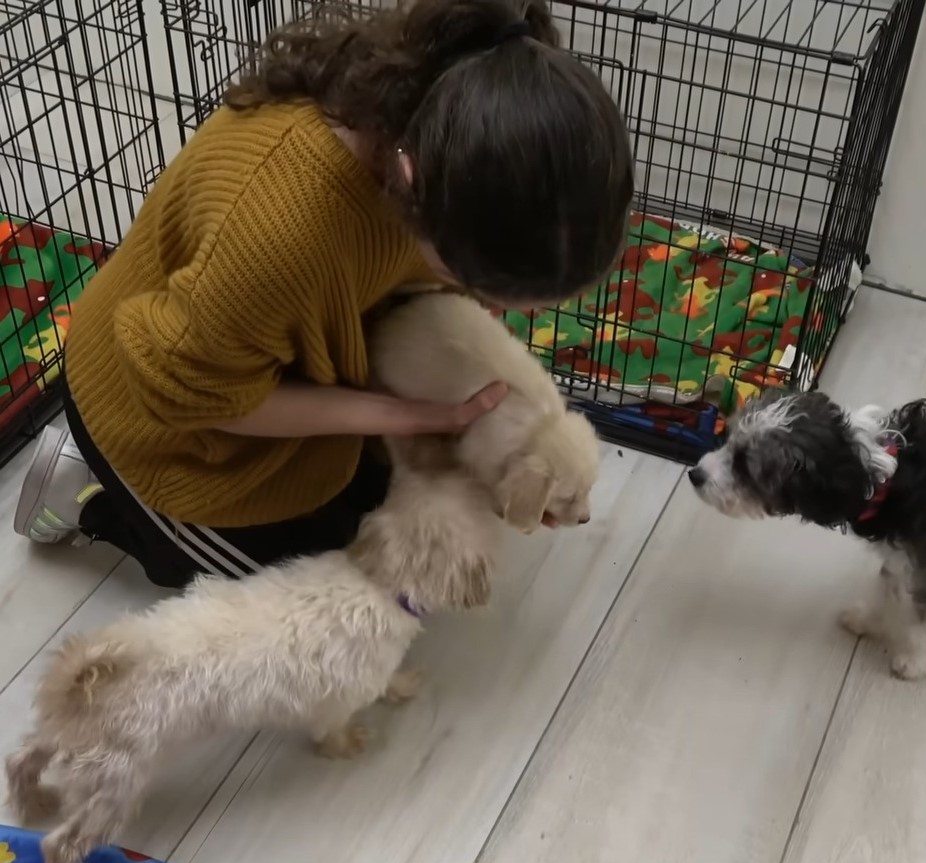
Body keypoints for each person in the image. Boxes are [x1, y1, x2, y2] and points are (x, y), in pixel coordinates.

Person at [13, 0, 633, 587]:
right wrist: (403, 415)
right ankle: (90, 488)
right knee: (310, 592)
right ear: (416, 186)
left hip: (277, 352)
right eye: (475, 280)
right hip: (158, 411)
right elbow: (198, 395)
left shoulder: (433, 113)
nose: (495, 308)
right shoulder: (280, 230)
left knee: (407, 522)